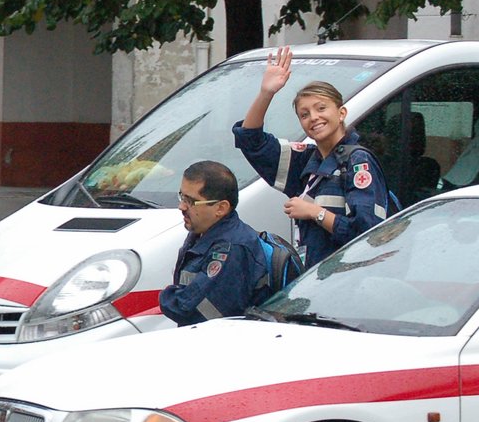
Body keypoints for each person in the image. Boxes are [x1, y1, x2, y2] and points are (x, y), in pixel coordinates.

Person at [234, 46, 391, 267]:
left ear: (341, 113)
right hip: (314, 279)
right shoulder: (306, 160)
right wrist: (266, 93)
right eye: (304, 115)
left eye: (321, 108)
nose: (314, 118)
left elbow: (367, 233)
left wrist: (314, 212)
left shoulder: (357, 162)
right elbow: (250, 140)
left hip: (349, 278)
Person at [158, 160, 265, 326]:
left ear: (221, 208)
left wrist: (166, 297)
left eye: (191, 201)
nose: (181, 206)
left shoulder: (231, 248)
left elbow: (185, 307)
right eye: (182, 196)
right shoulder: (201, 232)